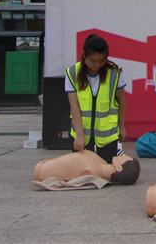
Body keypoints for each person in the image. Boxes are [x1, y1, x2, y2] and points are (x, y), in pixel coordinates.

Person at [65, 33, 127, 162]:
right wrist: (79, 135)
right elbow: (74, 106)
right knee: (81, 170)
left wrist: (121, 127)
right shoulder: (72, 73)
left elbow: (122, 101)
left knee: (107, 170)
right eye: (93, 60)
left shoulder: (115, 72)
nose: (97, 65)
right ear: (84, 54)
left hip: (107, 135)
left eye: (102, 60)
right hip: (82, 134)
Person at [33, 149, 140, 185]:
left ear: (119, 168)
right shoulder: (100, 163)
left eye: (126, 158)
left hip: (42, 170)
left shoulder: (92, 169)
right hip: (46, 166)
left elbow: (79, 155)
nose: (124, 155)